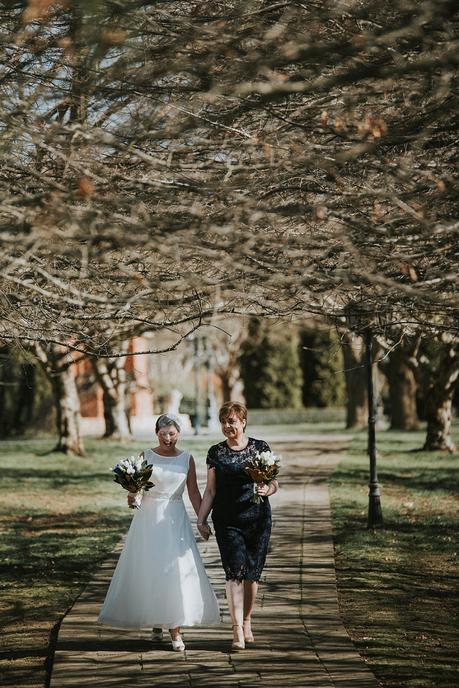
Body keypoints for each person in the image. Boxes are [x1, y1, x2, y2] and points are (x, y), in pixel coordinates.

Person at [98, 414, 220, 651]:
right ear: (156, 434)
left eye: (172, 434)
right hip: (149, 518)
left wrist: (202, 520)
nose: (167, 438)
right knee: (152, 568)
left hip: (175, 518)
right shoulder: (147, 456)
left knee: (175, 569)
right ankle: (157, 620)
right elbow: (138, 489)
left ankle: (176, 631)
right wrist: (133, 496)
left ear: (179, 434)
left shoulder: (187, 459)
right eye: (163, 434)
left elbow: (194, 493)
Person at [197, 401, 278, 650]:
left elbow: (274, 483)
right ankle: (236, 631)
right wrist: (201, 519)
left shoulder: (260, 448)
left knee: (252, 575)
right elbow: (210, 491)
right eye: (223, 421)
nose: (227, 426)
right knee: (234, 573)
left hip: (257, 519)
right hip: (227, 521)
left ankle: (246, 620)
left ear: (243, 421)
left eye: (231, 421)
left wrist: (267, 489)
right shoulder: (216, 452)